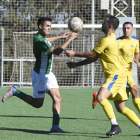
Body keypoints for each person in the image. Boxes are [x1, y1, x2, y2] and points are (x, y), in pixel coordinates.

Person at [66, 15, 140, 136]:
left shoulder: (107, 40)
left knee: (100, 97)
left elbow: (91, 54)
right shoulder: (110, 39)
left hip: (116, 76)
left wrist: (75, 53)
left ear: (109, 26)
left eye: (104, 22)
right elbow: (94, 57)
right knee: (121, 108)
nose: (102, 24)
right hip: (119, 76)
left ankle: (115, 126)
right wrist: (77, 64)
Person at [2, 17, 77, 133]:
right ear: (40, 26)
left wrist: (61, 36)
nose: (49, 28)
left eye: (50, 26)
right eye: (47, 26)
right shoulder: (39, 40)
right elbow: (56, 52)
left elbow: (47, 40)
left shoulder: (41, 37)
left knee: (58, 98)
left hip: (48, 74)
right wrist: (69, 39)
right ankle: (15, 91)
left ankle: (55, 126)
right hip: (40, 76)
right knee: (38, 104)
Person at [92, 22, 140, 115]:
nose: (126, 30)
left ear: (132, 29)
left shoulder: (135, 41)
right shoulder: (117, 41)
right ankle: (99, 96)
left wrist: (136, 60)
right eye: (124, 28)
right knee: (135, 91)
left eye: (128, 28)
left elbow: (137, 52)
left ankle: (97, 96)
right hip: (121, 71)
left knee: (121, 106)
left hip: (129, 71)